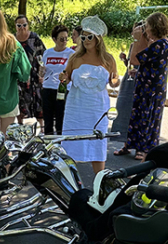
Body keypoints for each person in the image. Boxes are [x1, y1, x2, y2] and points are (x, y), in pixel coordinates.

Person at [59, 16, 120, 174]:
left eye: (89, 37)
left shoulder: (107, 59)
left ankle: (99, 181)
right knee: (72, 140)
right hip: (77, 106)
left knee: (97, 141)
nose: (86, 40)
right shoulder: (75, 58)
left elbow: (114, 78)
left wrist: (114, 81)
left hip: (97, 107)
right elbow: (68, 76)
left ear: (98, 38)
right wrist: (63, 78)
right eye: (83, 37)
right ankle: (69, 180)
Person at [115, 12, 168, 161]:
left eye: (147, 26)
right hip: (145, 85)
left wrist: (136, 39)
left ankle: (145, 149)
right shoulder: (157, 43)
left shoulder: (161, 44)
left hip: (152, 90)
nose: (145, 29)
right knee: (136, 117)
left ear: (155, 27)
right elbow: (149, 63)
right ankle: (130, 145)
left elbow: (135, 58)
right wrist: (138, 73)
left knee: (148, 119)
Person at [110, 20, 146, 136]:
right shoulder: (132, 45)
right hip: (129, 79)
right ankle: (124, 140)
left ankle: (135, 141)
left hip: (140, 79)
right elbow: (130, 65)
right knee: (123, 106)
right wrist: (125, 60)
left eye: (135, 30)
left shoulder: (147, 46)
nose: (132, 33)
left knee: (137, 111)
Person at [39, 25, 74, 135]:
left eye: (66, 39)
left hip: (62, 89)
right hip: (48, 88)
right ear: (54, 39)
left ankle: (60, 145)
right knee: (48, 120)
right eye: (61, 39)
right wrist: (41, 72)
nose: (64, 42)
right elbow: (43, 71)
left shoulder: (71, 54)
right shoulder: (48, 53)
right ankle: (48, 145)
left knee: (60, 120)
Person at [14, 15, 46, 127]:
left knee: (38, 98)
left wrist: (42, 73)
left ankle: (41, 125)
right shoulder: (12, 39)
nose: (22, 27)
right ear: (15, 26)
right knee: (19, 98)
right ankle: (20, 123)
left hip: (34, 74)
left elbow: (43, 55)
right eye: (19, 25)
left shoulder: (34, 38)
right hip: (18, 74)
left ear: (28, 25)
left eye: (24, 25)